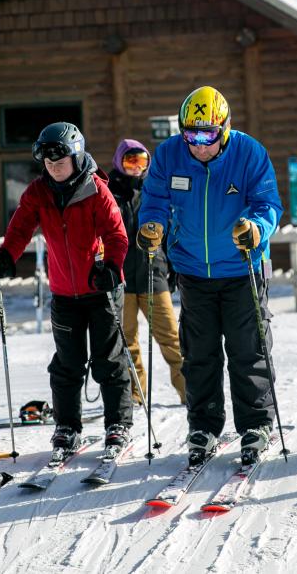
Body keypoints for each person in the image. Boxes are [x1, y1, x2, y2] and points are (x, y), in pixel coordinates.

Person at [138, 86, 284, 466]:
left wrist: (255, 227)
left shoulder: (248, 152)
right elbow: (154, 199)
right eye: (191, 135)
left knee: (246, 349)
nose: (199, 145)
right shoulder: (170, 154)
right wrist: (152, 225)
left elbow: (268, 202)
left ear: (225, 128)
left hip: (241, 268)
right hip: (191, 270)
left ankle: (255, 425)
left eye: (208, 136)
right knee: (198, 354)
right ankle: (202, 426)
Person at [0, 122, 132, 454]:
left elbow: (116, 235)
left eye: (60, 161)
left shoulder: (97, 189)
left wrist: (112, 267)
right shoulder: (38, 192)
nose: (53, 167)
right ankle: (67, 427)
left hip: (101, 288)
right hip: (65, 292)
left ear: (77, 157)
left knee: (108, 360)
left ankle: (118, 425)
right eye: (48, 163)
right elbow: (21, 225)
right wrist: (7, 255)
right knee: (67, 363)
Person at [107, 138, 187, 406]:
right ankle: (135, 394)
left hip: (154, 274)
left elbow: (169, 231)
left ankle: (189, 392)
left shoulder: (154, 190)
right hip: (122, 279)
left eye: (141, 161)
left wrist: (174, 267)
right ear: (120, 162)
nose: (135, 168)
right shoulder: (109, 193)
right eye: (130, 161)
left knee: (170, 338)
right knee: (127, 340)